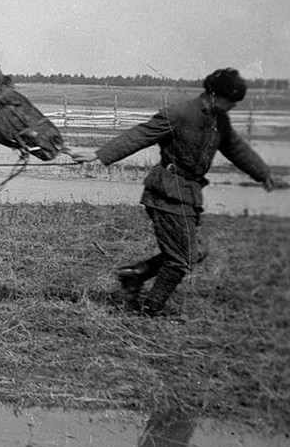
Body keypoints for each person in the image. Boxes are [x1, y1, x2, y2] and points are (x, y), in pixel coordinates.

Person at [72, 68, 275, 316]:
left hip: (188, 194)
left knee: (195, 251)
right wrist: (98, 155)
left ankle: (136, 274)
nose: (232, 106)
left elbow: (236, 149)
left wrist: (263, 173)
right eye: (230, 101)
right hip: (165, 192)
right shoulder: (179, 114)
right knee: (182, 258)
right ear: (213, 94)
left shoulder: (220, 120)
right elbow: (140, 135)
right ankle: (150, 309)